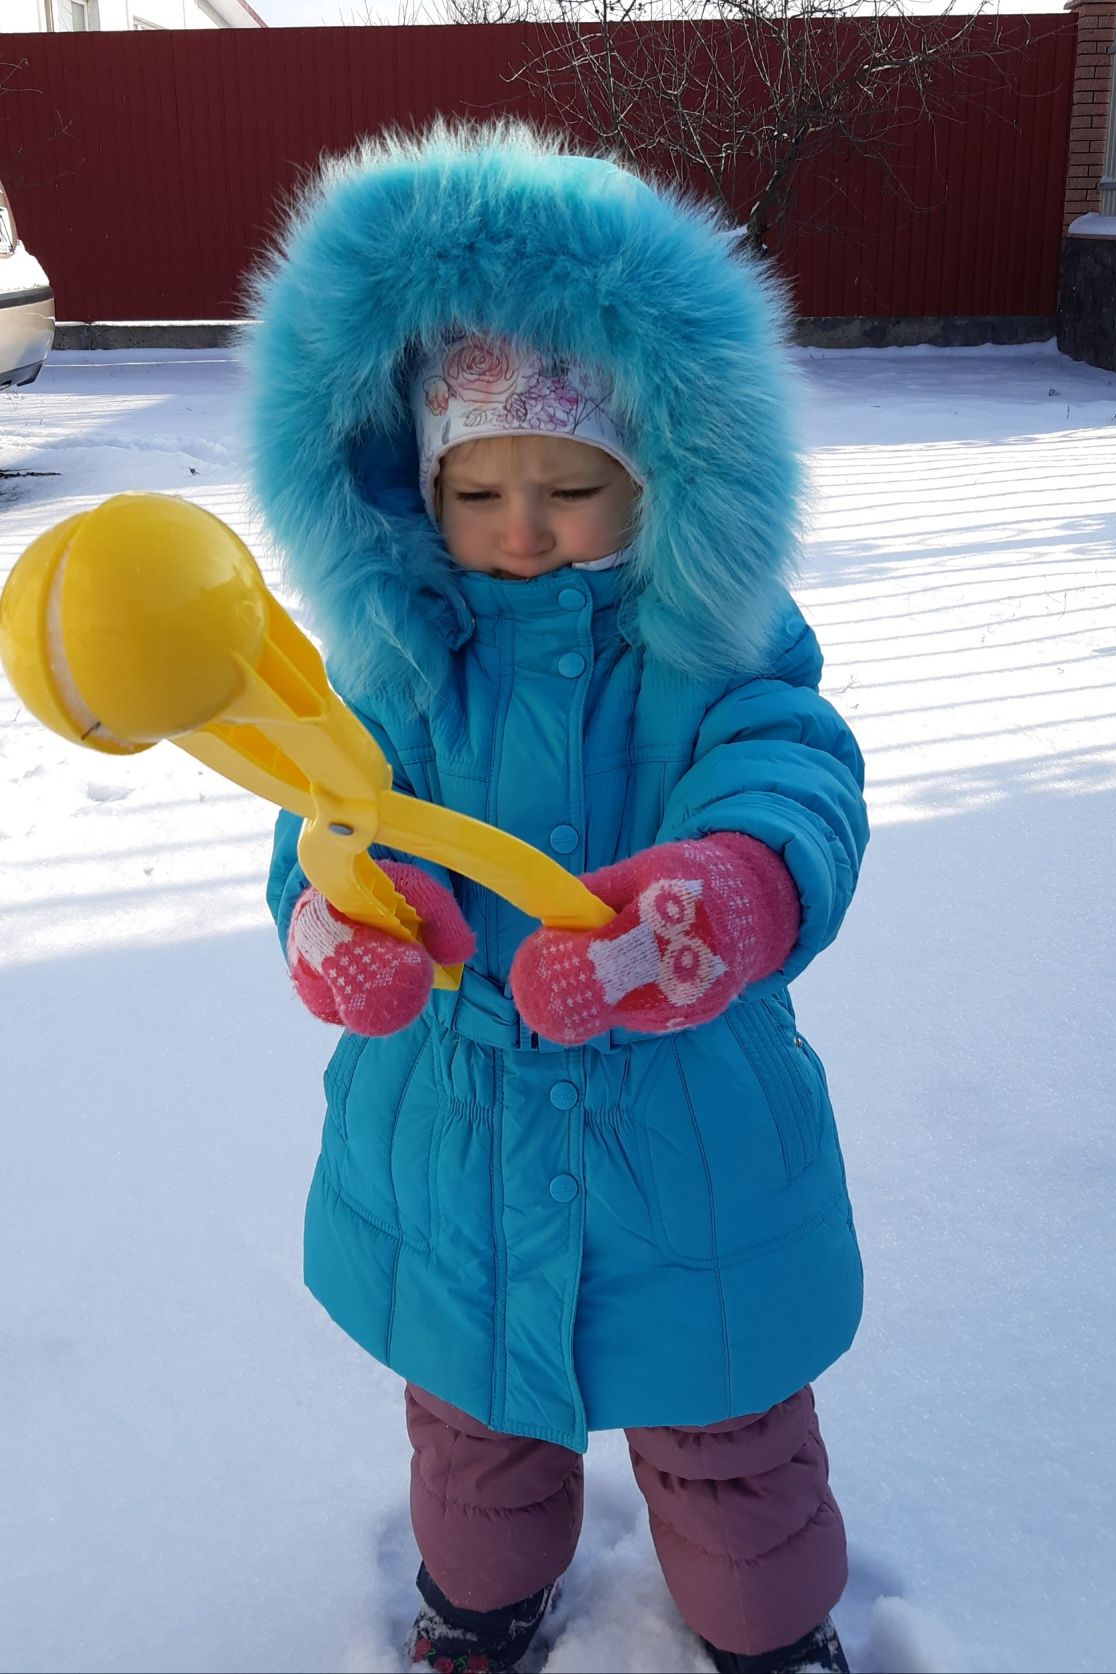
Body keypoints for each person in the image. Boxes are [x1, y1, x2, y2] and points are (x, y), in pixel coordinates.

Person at [250, 125, 869, 1674]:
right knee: (474, 1419)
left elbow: (790, 775)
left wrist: (723, 894)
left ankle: (767, 1629)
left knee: (725, 1429)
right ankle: (479, 1597)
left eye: (574, 484)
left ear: (654, 475)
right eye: (483, 487)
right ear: (418, 484)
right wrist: (342, 920)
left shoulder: (711, 651)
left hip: (681, 1134)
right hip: (453, 1128)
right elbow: (321, 817)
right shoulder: (397, 666)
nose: (525, 528)